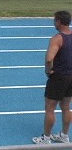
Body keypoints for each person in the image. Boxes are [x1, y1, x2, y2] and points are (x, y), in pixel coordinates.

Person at [32, 10, 72, 144]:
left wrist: (48, 71)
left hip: (59, 76)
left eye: (55, 20)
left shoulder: (57, 38)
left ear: (59, 21)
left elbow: (49, 59)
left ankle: (46, 138)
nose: (54, 22)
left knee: (50, 108)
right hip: (71, 76)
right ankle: (64, 135)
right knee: (66, 107)